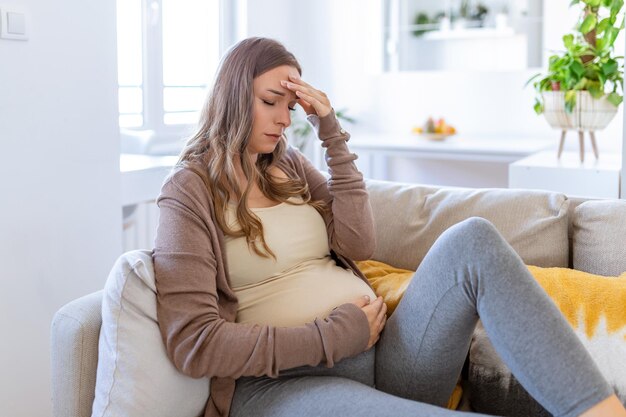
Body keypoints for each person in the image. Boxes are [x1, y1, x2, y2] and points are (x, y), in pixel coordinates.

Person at [153, 37, 626, 417]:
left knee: (472, 238)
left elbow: (359, 243)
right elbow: (193, 343)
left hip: (384, 358)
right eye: (271, 101)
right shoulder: (189, 191)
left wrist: (332, 134)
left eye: (291, 108)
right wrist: (331, 337)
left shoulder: (289, 166)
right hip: (283, 386)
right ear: (233, 95)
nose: (283, 119)